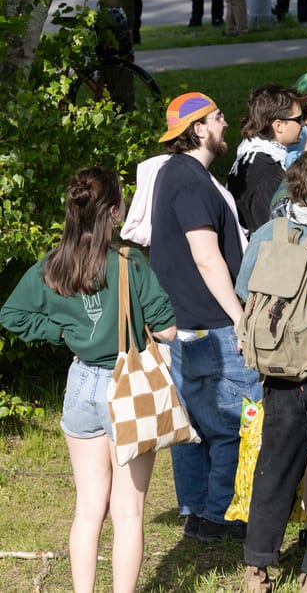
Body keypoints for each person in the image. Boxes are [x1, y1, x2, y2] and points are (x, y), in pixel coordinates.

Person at [1, 168, 177, 593]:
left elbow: (12, 314)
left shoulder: (55, 263)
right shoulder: (130, 263)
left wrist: (62, 332)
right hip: (128, 385)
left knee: (87, 507)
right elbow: (168, 330)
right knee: (129, 511)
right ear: (114, 212)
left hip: (80, 384)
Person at [237, 144, 307, 593]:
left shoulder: (268, 231)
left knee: (274, 465)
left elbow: (244, 288)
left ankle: (257, 567)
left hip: (276, 367)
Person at [151, 92, 261, 540]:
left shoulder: (170, 173)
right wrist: (239, 316)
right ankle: (221, 516)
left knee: (193, 427)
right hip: (213, 327)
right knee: (235, 425)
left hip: (182, 325)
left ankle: (195, 511)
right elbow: (205, 256)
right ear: (198, 129)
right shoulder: (193, 182)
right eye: (217, 118)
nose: (225, 124)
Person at [227, 84, 307, 232]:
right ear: (279, 126)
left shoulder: (250, 155)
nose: (303, 124)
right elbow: (272, 232)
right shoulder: (267, 173)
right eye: (299, 118)